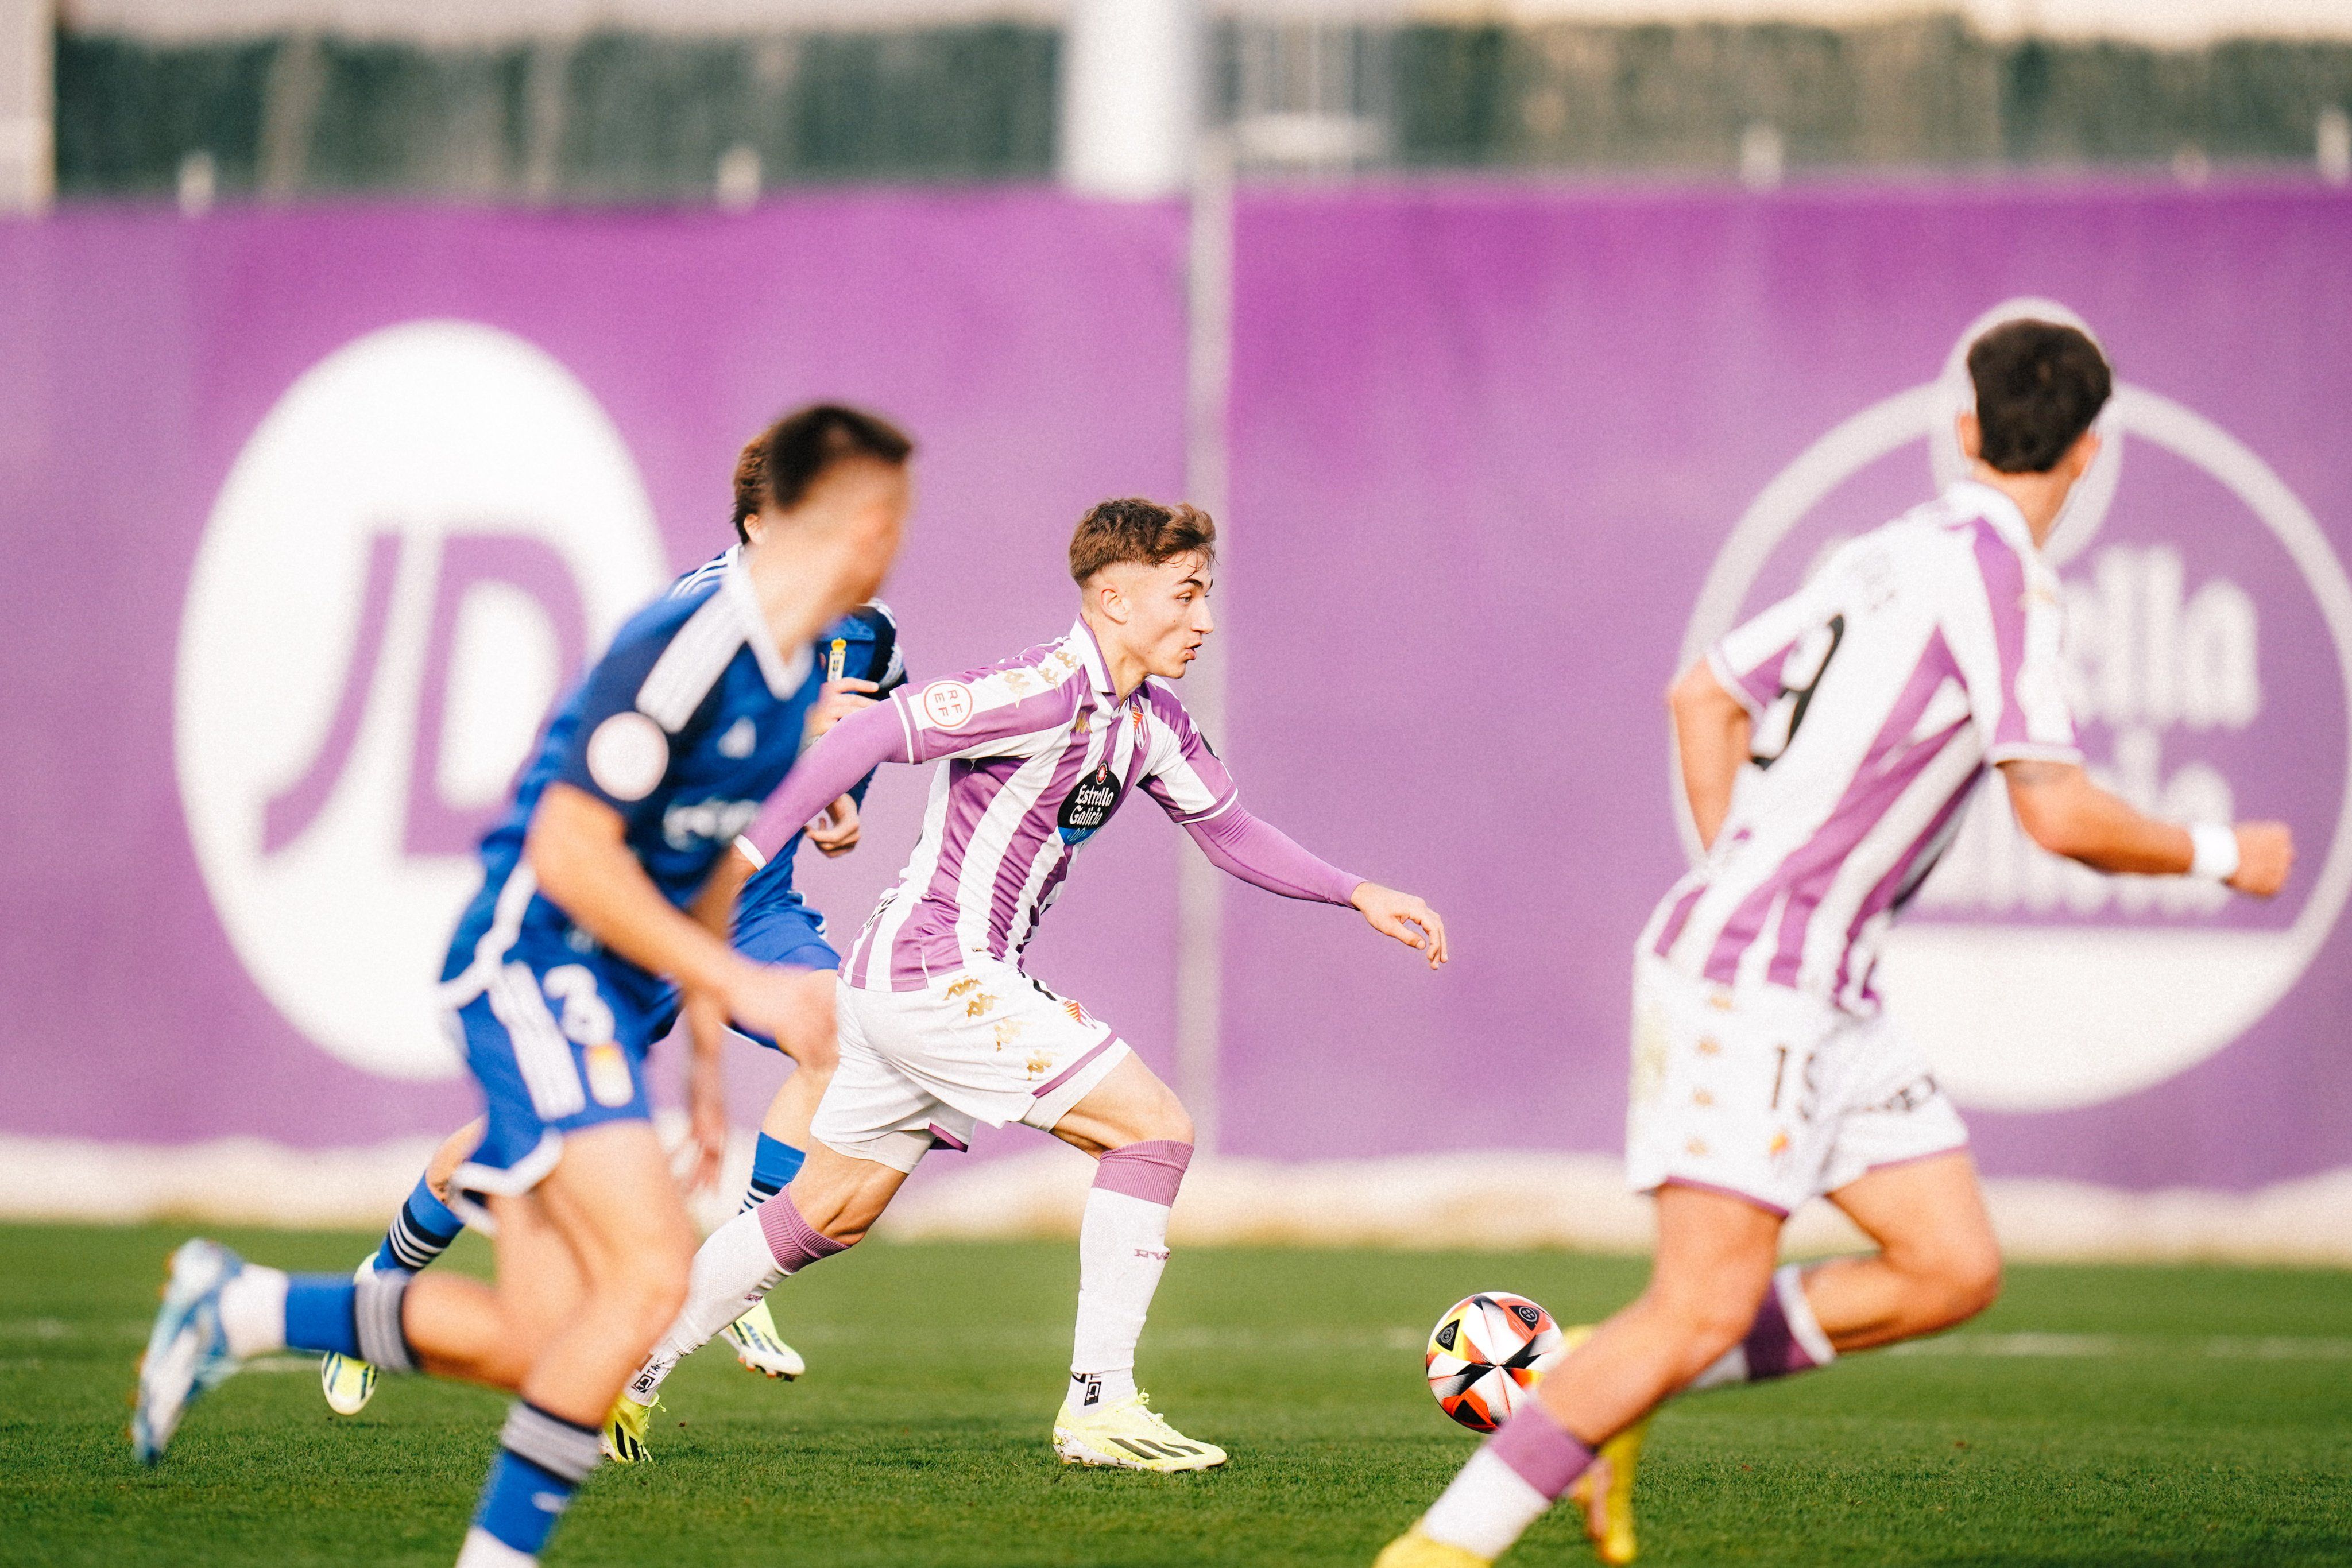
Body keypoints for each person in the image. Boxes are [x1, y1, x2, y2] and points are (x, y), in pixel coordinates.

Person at [1375, 319, 2294, 1567]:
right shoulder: (2009, 583)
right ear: (2089, 450)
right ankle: (1443, 1545)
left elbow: (1703, 693)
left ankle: (1604, 1375)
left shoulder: (1889, 549)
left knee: (1948, 1266)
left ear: (1964, 430)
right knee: (1698, 1306)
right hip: (1758, 979)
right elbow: (2058, 814)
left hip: (1826, 987)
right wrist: (2219, 852)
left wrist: (1738, 873)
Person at [132, 405, 916, 1568]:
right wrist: (727, 982)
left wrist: (706, 1062)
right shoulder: (694, 641)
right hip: (537, 963)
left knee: (550, 1338)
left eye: (893, 516)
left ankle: (242, 1308)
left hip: (621, 973)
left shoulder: (812, 661)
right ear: (790, 519)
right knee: (646, 1276)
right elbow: (567, 850)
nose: (887, 539)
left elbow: (715, 859)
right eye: (872, 513)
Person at [605, 496, 1449, 1471]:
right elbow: (864, 736)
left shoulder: (1154, 722)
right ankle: (1100, 1405)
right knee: (1152, 1129)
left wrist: (1356, 892)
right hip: (936, 969)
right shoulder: (1039, 690)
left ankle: (625, 1372)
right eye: (1185, 595)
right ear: (1115, 598)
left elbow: (1229, 832)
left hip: (906, 981)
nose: (1206, 620)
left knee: (829, 1210)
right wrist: (746, 857)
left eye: (1207, 595)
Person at [318, 431, 912, 1418]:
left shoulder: (871, 633)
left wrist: (835, 803)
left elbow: (828, 759)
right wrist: (795, 739)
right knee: (532, 1155)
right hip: (636, 916)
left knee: (841, 1035)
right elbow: (610, 799)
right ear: (761, 526)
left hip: (750, 903)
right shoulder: (693, 625)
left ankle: (739, 1270)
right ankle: (383, 1277)